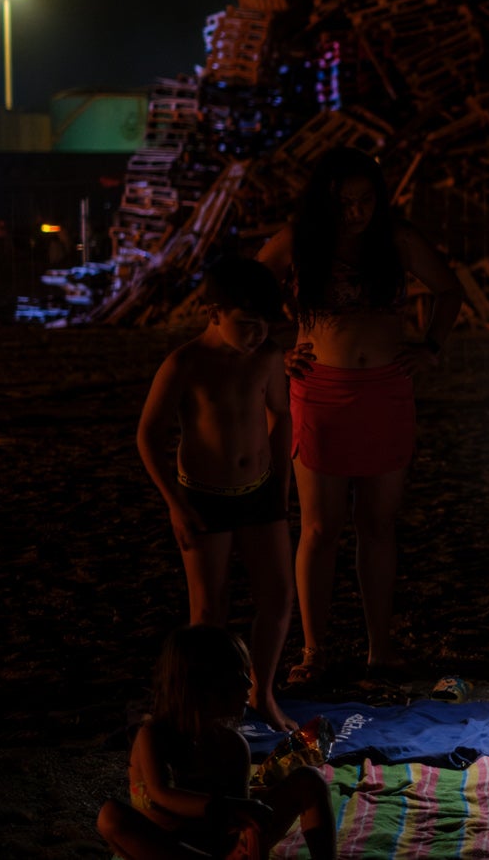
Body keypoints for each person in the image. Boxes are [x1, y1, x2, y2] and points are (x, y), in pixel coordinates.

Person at [257, 148, 463, 688]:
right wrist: (275, 351)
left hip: (387, 391)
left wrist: (432, 347)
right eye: (344, 203)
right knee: (320, 527)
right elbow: (246, 290)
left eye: (365, 201)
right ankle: (314, 651)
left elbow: (448, 289)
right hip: (319, 391)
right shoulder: (299, 239)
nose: (356, 213)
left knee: (377, 523)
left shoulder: (395, 238)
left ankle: (381, 649)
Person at [136, 257, 298, 729]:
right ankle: (202, 707)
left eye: (264, 324)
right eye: (246, 324)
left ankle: (262, 694)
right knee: (208, 610)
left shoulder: (266, 357)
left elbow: (280, 415)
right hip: (203, 497)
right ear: (213, 313)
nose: (256, 334)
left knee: (278, 597)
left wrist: (281, 489)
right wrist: (175, 505)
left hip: (261, 493)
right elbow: (149, 435)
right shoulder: (185, 363)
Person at [96, 624, 336, 860]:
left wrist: (249, 822)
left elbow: (237, 824)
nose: (249, 684)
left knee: (309, 780)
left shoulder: (232, 745)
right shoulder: (154, 736)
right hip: (167, 848)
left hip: (221, 847)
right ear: (202, 684)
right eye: (238, 674)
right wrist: (227, 807)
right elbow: (161, 794)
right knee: (111, 817)